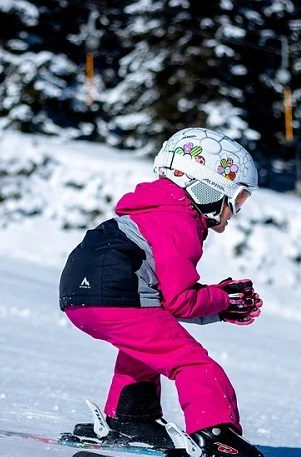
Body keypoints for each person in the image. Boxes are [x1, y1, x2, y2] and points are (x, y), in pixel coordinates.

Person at [59, 127, 264, 457]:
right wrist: (223, 299)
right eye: (237, 199)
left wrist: (215, 305)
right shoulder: (178, 220)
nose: (234, 212)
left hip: (81, 296)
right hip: (115, 295)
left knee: (146, 348)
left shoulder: (153, 212)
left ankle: (133, 420)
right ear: (209, 187)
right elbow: (180, 301)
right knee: (193, 364)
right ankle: (214, 437)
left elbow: (163, 299)